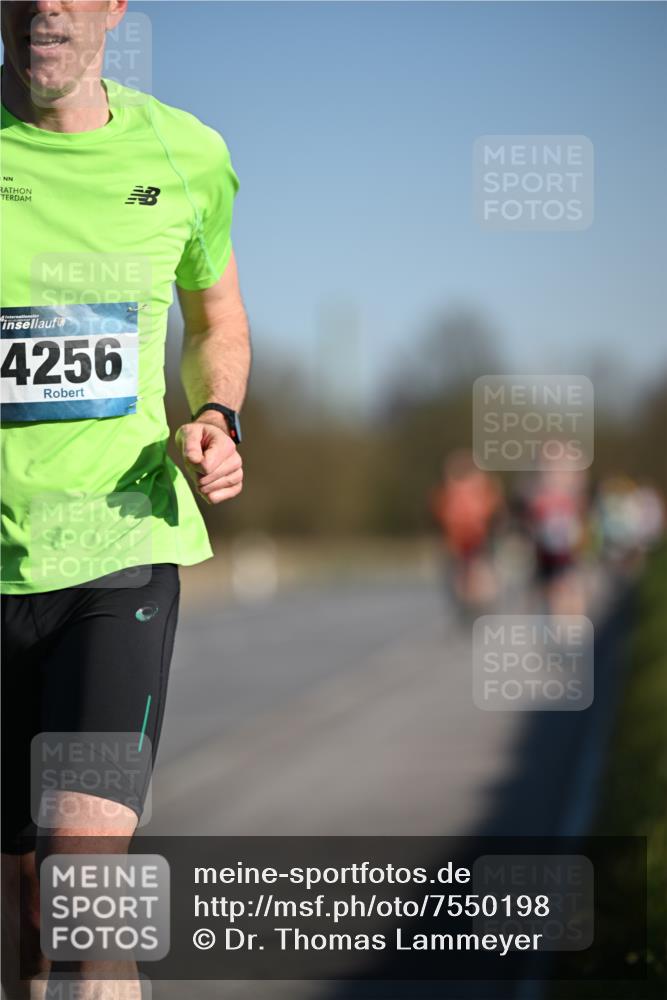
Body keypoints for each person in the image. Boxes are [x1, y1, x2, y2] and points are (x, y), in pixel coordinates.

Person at [0, 2, 251, 996]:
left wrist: (218, 413)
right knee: (21, 906)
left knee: (85, 873)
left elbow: (218, 318)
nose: (45, 6)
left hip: (119, 551)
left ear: (114, 7)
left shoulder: (186, 154)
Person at [430, 450, 503, 612]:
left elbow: (495, 514)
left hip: (478, 541)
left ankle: (480, 604)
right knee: (459, 580)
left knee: (481, 578)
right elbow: (438, 519)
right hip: (456, 543)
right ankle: (467, 605)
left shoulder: (483, 492)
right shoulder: (445, 494)